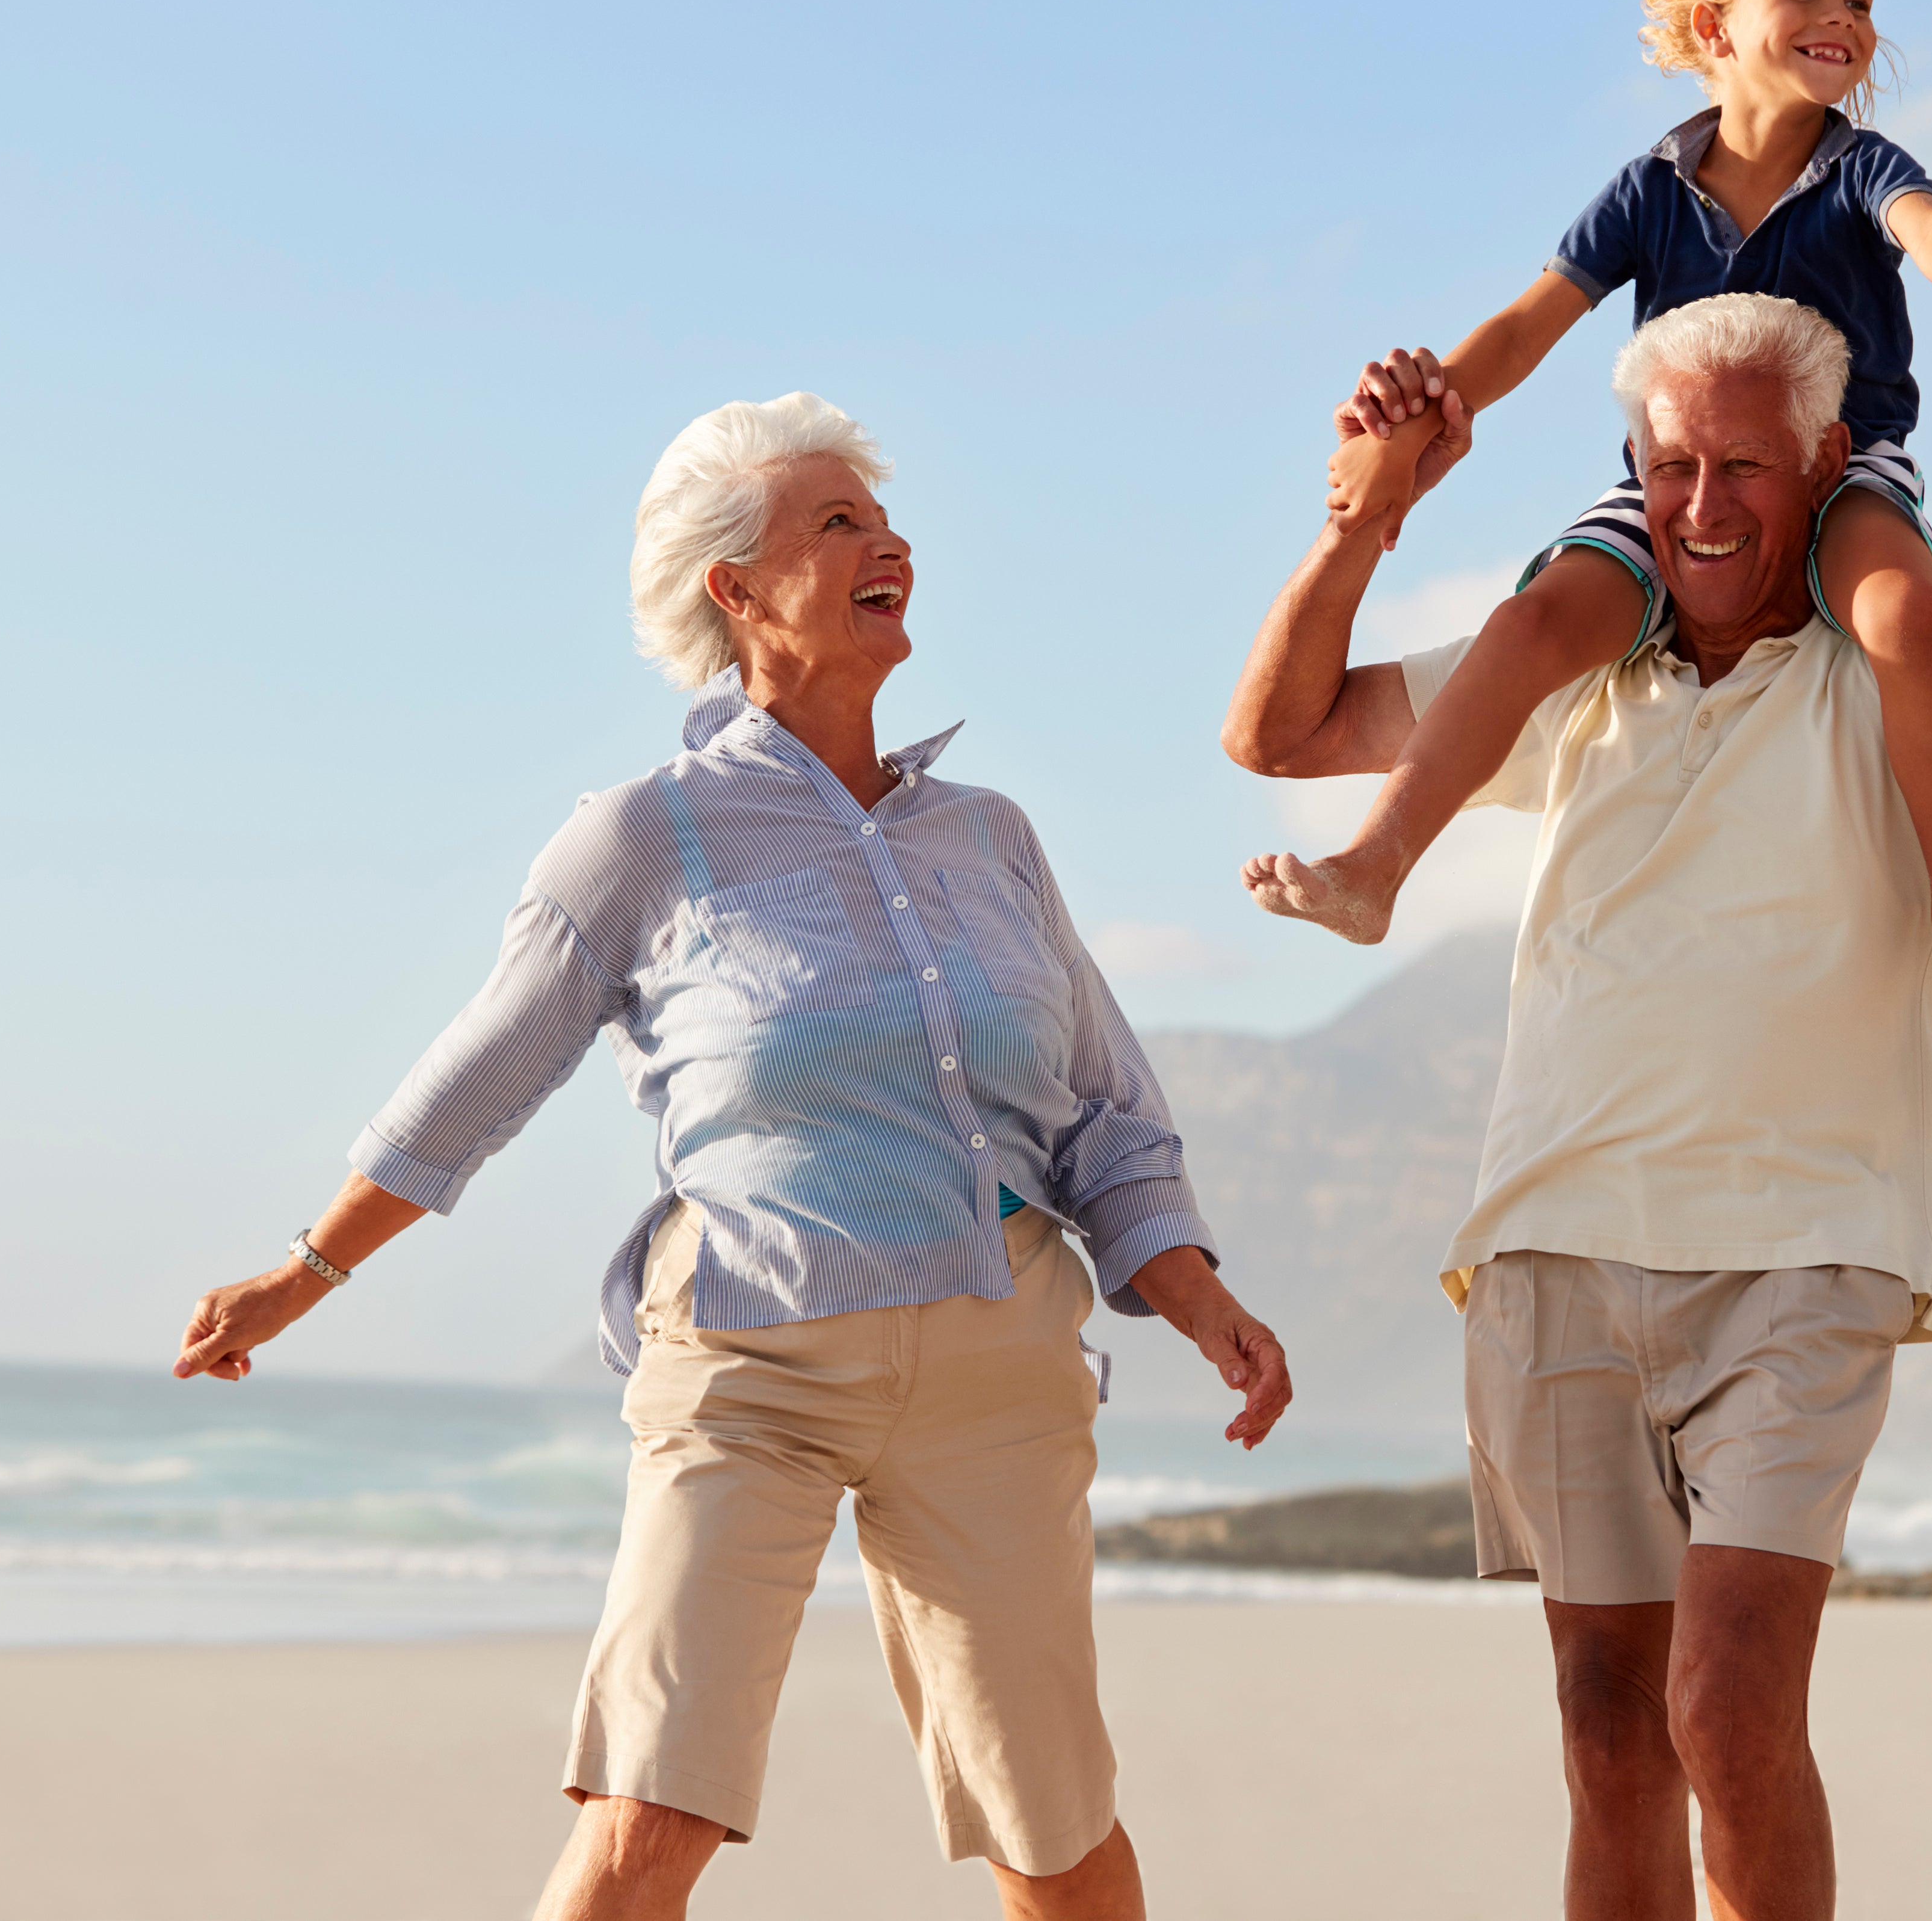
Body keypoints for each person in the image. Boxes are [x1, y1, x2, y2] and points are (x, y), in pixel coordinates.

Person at [173, 393, 1291, 1921]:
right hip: (752, 1362)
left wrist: (1199, 1290)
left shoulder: (993, 838)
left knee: (1057, 1830)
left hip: (997, 1376)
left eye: (884, 521)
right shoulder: (646, 838)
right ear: (738, 594)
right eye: (835, 523)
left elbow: (1105, 1109)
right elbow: (481, 1072)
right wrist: (305, 1270)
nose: (885, 540)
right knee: (652, 1813)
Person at [1223, 292, 1932, 1916]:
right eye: (1668, 464)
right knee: (1609, 1734)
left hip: (1805, 1254)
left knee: (1725, 1703)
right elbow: (1275, 729)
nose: (1699, 505)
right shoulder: (1570, 668)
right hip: (1553, 1247)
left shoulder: (1923, 662)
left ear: (1828, 461)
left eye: (1743, 466)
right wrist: (1362, 515)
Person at [1241, 0, 1932, 1073]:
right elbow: (1530, 324)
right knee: (1528, 625)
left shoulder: (1861, 170)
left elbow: (1930, 230)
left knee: (1902, 618)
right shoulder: (1649, 189)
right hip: (1676, 482)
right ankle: (1377, 864)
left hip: (1848, 468)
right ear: (1712, 28)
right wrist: (1427, 408)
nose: (1843, 21)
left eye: (1860, 0)